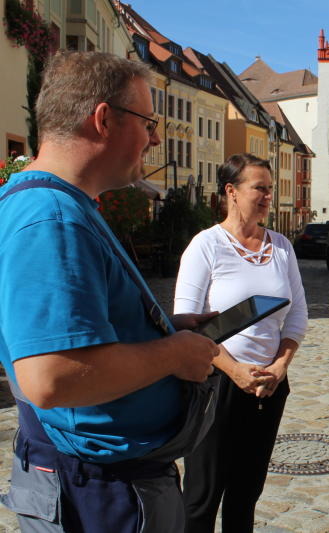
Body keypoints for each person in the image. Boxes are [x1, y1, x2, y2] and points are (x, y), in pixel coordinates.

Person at [0, 51, 219, 532]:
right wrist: (172, 355)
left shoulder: (56, 205)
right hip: (97, 494)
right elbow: (51, 376)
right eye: (147, 122)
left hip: (100, 484)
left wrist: (161, 331)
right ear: (103, 119)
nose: (156, 138)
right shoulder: (50, 217)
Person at [175, 154, 308, 533]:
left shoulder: (281, 246)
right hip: (216, 384)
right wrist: (235, 370)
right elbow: (186, 323)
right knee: (202, 495)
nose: (268, 196)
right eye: (259, 188)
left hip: (268, 386)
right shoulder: (206, 246)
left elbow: (297, 314)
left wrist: (280, 366)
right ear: (231, 191)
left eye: (270, 188)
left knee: (246, 493)